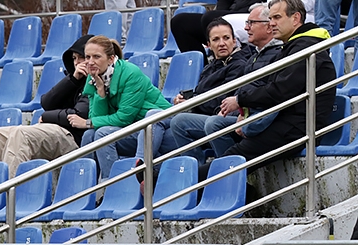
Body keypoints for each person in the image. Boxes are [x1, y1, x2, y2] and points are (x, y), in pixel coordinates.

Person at [222, 0, 335, 171]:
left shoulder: (306, 48)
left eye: (277, 17)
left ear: (296, 18)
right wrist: (245, 111)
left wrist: (241, 100)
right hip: (287, 121)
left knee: (231, 160)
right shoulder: (293, 46)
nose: (271, 23)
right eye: (270, 17)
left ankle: (187, 191)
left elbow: (279, 91)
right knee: (227, 148)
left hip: (298, 127)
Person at [0, 34, 92, 178]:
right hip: (51, 131)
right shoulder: (74, 80)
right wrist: (72, 79)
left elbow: (79, 115)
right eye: (74, 58)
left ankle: (7, 197)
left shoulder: (96, 82)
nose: (77, 62)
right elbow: (47, 103)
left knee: (21, 134)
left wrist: (46, 116)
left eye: (81, 57)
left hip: (72, 138)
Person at [133, 18, 250, 173]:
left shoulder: (239, 65)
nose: (222, 43)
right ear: (208, 45)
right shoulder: (211, 66)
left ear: (234, 41)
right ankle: (142, 164)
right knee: (152, 115)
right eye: (216, 39)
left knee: (177, 123)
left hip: (215, 117)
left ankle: (192, 169)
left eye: (226, 38)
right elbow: (200, 92)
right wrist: (184, 98)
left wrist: (192, 102)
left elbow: (220, 99)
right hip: (198, 113)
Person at [178, 4, 283, 164]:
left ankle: (217, 174)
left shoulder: (247, 61)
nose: (246, 28)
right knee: (157, 120)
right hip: (234, 113)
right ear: (208, 44)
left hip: (240, 116)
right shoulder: (253, 56)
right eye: (216, 39)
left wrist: (242, 111)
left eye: (251, 23)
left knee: (192, 123)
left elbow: (264, 93)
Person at [71, 36, 171, 181]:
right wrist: (100, 90)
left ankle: (114, 187)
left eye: (97, 56)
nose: (90, 62)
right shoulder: (93, 76)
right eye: (87, 57)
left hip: (157, 127)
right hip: (132, 128)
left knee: (103, 134)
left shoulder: (130, 73)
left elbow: (124, 117)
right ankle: (86, 187)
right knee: (89, 135)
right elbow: (97, 115)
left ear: (111, 59)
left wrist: (87, 122)